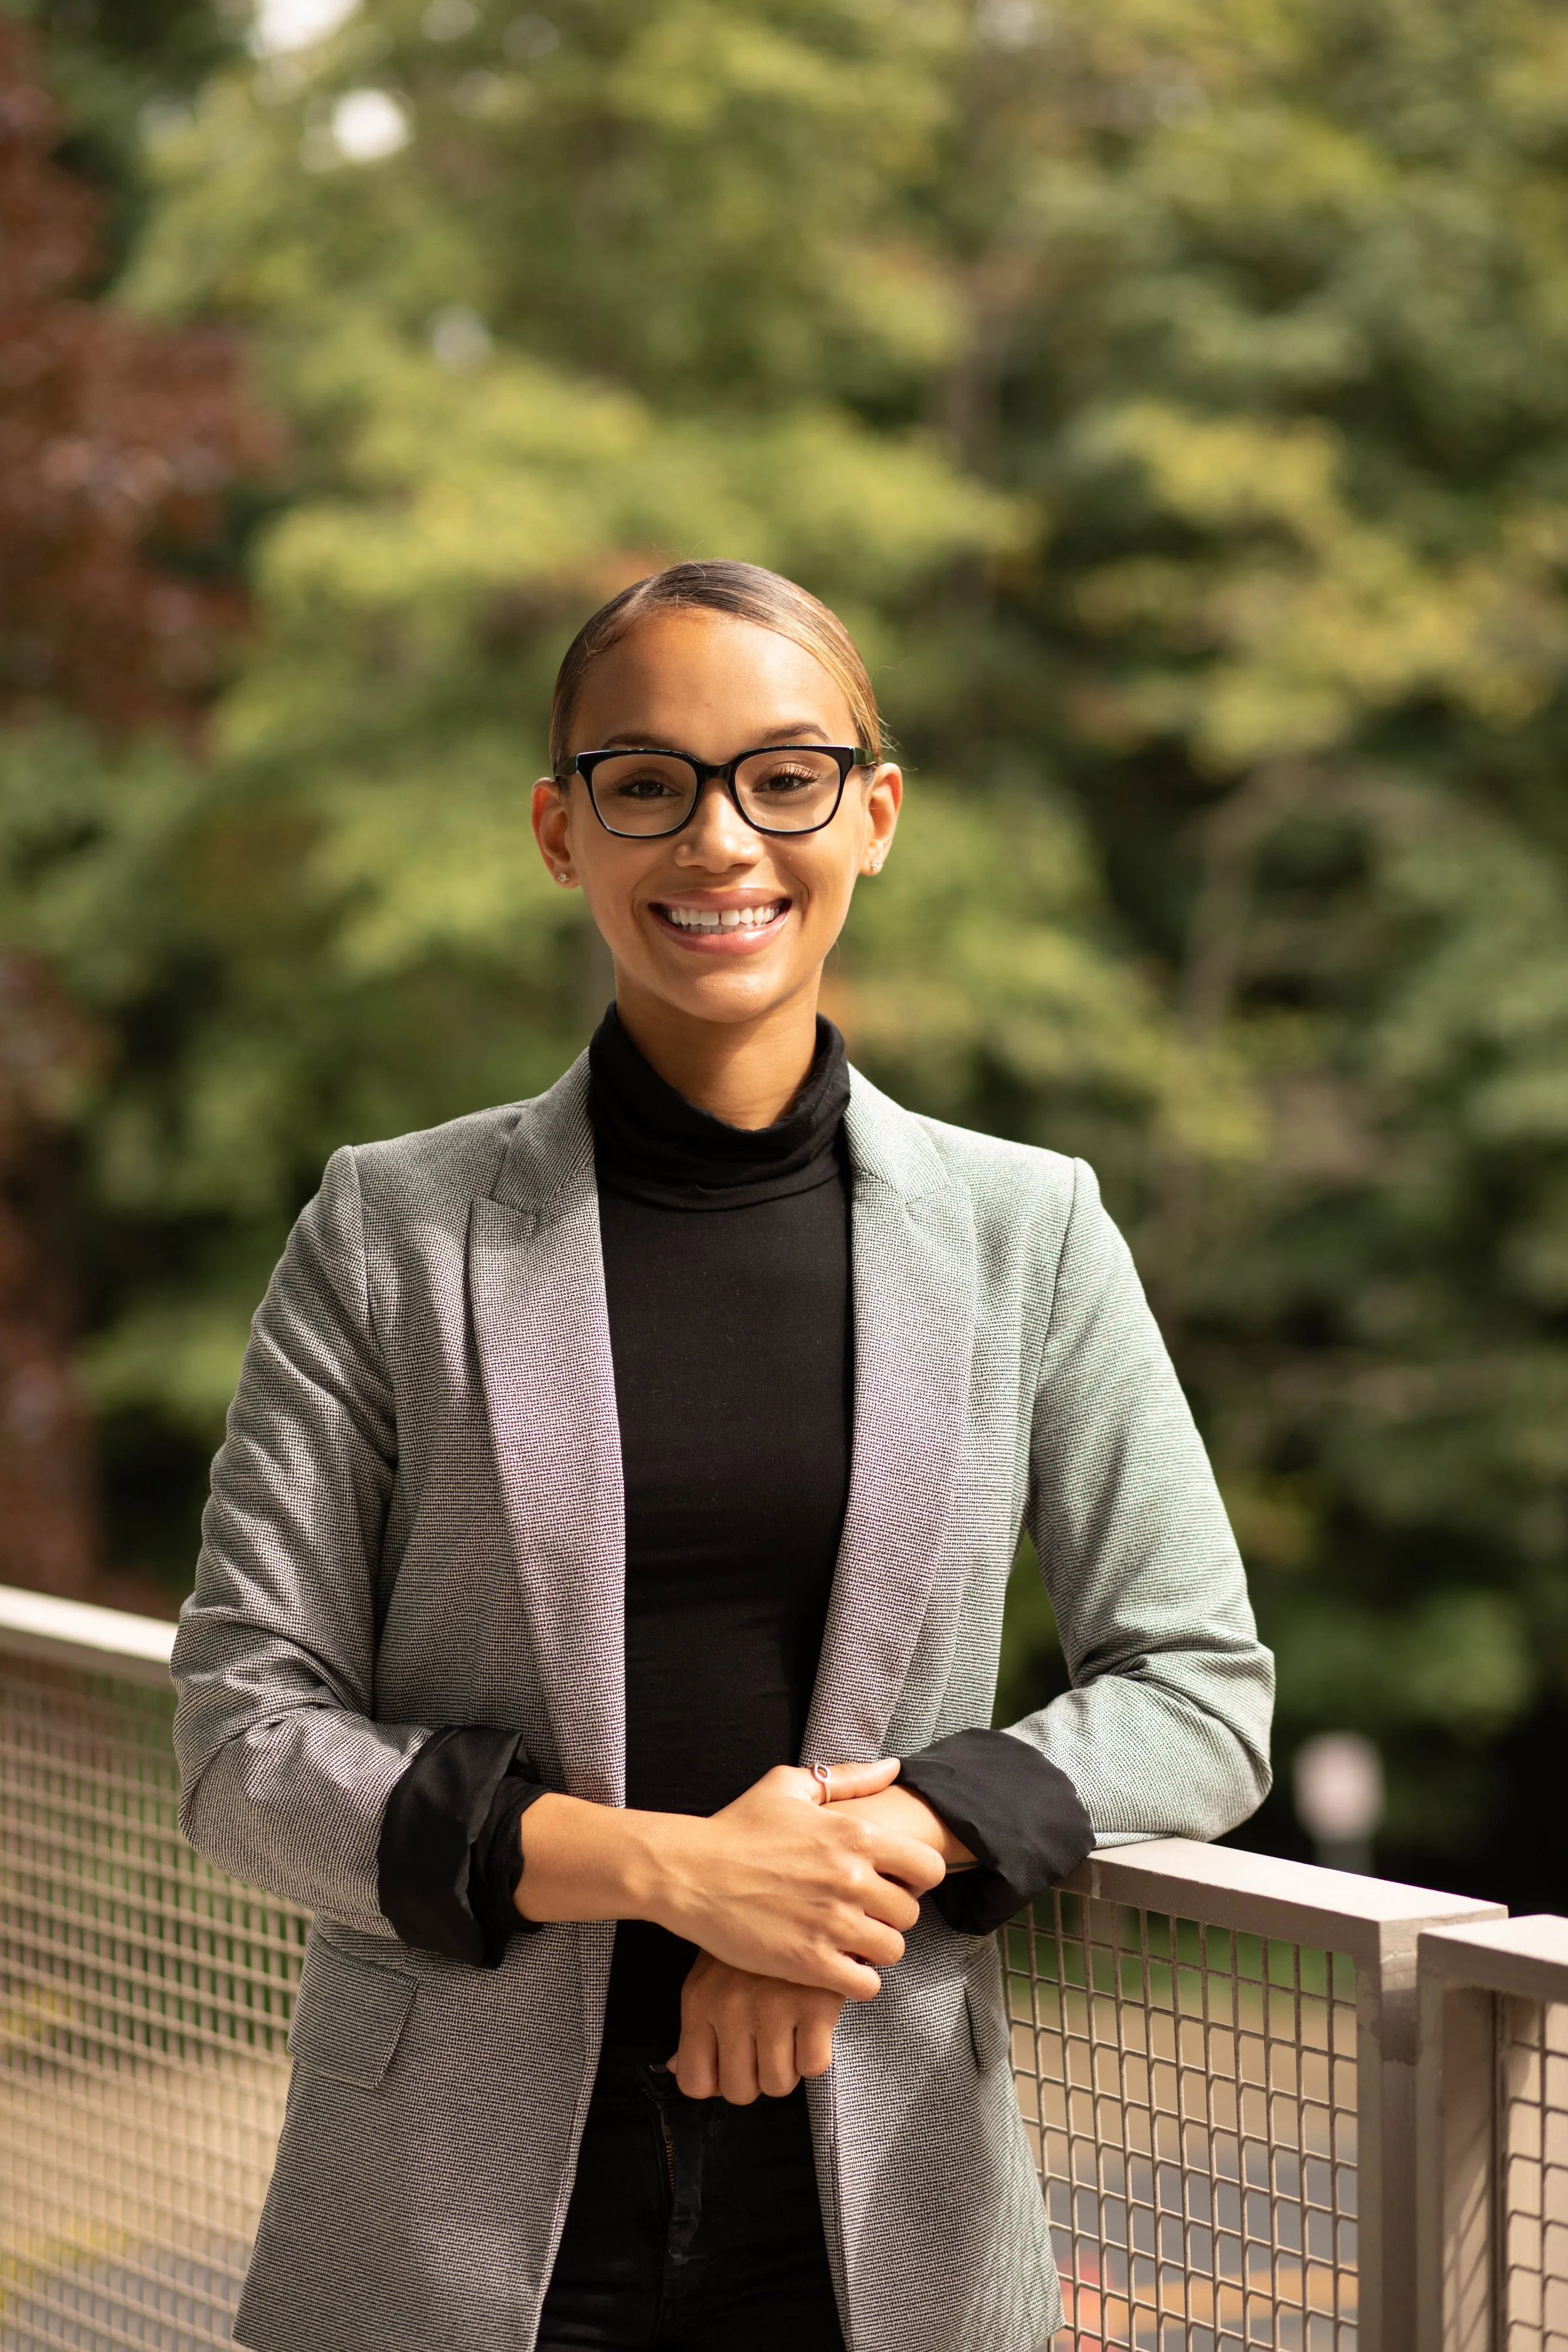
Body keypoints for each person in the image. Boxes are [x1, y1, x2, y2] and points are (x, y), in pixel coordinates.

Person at [171, 560, 1273, 2352]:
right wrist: (681, 1872)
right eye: (646, 781)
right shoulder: (388, 1228)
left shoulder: (1025, 1234)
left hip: (878, 2218)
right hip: (440, 2218)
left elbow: (1201, 1691)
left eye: (783, 776)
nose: (719, 840)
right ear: (562, 826)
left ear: (874, 810)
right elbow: (242, 1742)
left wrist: (875, 1847)